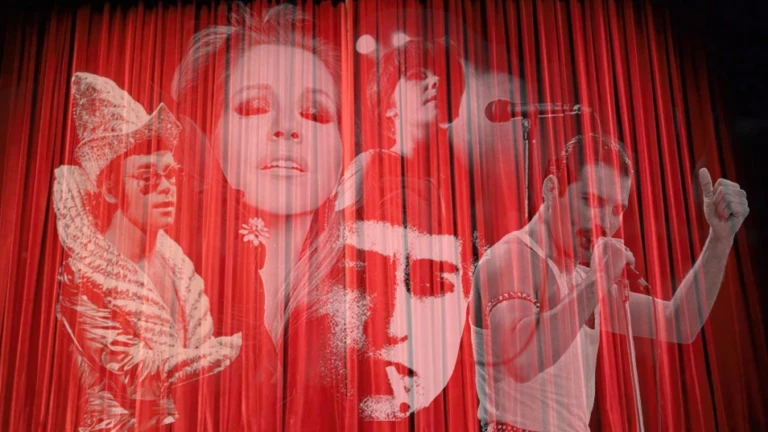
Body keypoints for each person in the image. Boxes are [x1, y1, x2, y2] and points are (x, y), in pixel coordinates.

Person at [471, 133, 750, 431]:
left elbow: (678, 323)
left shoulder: (581, 278)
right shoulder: (512, 257)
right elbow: (522, 363)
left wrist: (720, 239)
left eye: (617, 210)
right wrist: (598, 281)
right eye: (591, 201)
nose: (604, 223)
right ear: (551, 189)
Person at [171, 3, 346, 429]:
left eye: (316, 113)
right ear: (209, 132)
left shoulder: (378, 289)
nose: (287, 128)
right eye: (254, 106)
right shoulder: (164, 284)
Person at [52, 72, 241, 431]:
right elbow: (134, 374)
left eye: (171, 175)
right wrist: (219, 355)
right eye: (148, 177)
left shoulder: (178, 268)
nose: (167, 188)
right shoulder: (84, 275)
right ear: (109, 189)